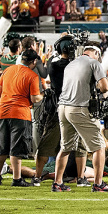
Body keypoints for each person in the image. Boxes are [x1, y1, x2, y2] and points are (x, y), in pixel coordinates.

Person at [52, 44, 108, 192]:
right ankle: (98, 184)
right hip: (78, 108)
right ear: (96, 53)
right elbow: (104, 87)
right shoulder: (94, 63)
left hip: (63, 107)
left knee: (65, 147)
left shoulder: (70, 64)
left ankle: (57, 183)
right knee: (99, 146)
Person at [0, 49, 42, 187]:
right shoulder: (32, 76)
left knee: (1, 147)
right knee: (16, 148)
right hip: (20, 114)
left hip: (2, 112)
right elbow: (34, 98)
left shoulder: (8, 70)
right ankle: (17, 178)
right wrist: (43, 95)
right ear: (34, 61)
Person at [33, 34, 74, 186]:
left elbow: (47, 71)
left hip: (56, 106)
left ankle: (40, 176)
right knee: (59, 144)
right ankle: (57, 177)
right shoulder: (72, 65)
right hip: (67, 107)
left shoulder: (52, 62)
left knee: (53, 142)